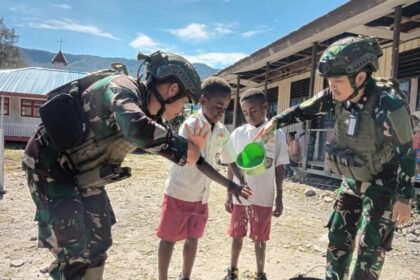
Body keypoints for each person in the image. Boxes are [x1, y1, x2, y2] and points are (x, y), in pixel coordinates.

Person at [22, 51, 251, 280]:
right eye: (184, 101)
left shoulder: (147, 109)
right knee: (75, 251)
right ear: (172, 90)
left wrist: (191, 152)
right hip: (50, 168)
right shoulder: (122, 87)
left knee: (100, 240)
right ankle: (66, 269)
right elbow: (136, 128)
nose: (182, 110)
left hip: (83, 172)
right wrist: (187, 151)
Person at [255, 36, 415, 280]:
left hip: (383, 184)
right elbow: (304, 109)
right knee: (337, 240)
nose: (333, 86)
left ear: (360, 78)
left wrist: (405, 197)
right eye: (330, 81)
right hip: (351, 180)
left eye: (338, 81)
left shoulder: (388, 104)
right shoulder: (336, 95)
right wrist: (276, 121)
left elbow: (406, 151)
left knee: (369, 250)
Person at [157, 76, 246, 280]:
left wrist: (242, 180)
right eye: (218, 106)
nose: (222, 111)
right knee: (168, 238)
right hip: (180, 192)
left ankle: (185, 277)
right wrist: (230, 185)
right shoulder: (191, 126)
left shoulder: (222, 131)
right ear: (203, 100)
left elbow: (231, 159)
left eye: (225, 107)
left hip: (201, 197)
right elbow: (199, 163)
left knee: (193, 238)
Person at [224, 88, 289, 280]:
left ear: (265, 107)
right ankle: (232, 270)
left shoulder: (276, 134)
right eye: (245, 112)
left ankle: (260, 273)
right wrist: (229, 194)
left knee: (260, 238)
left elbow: (279, 168)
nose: (249, 115)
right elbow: (231, 163)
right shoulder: (238, 134)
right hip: (240, 196)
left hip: (264, 197)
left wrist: (280, 198)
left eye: (253, 110)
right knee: (237, 235)